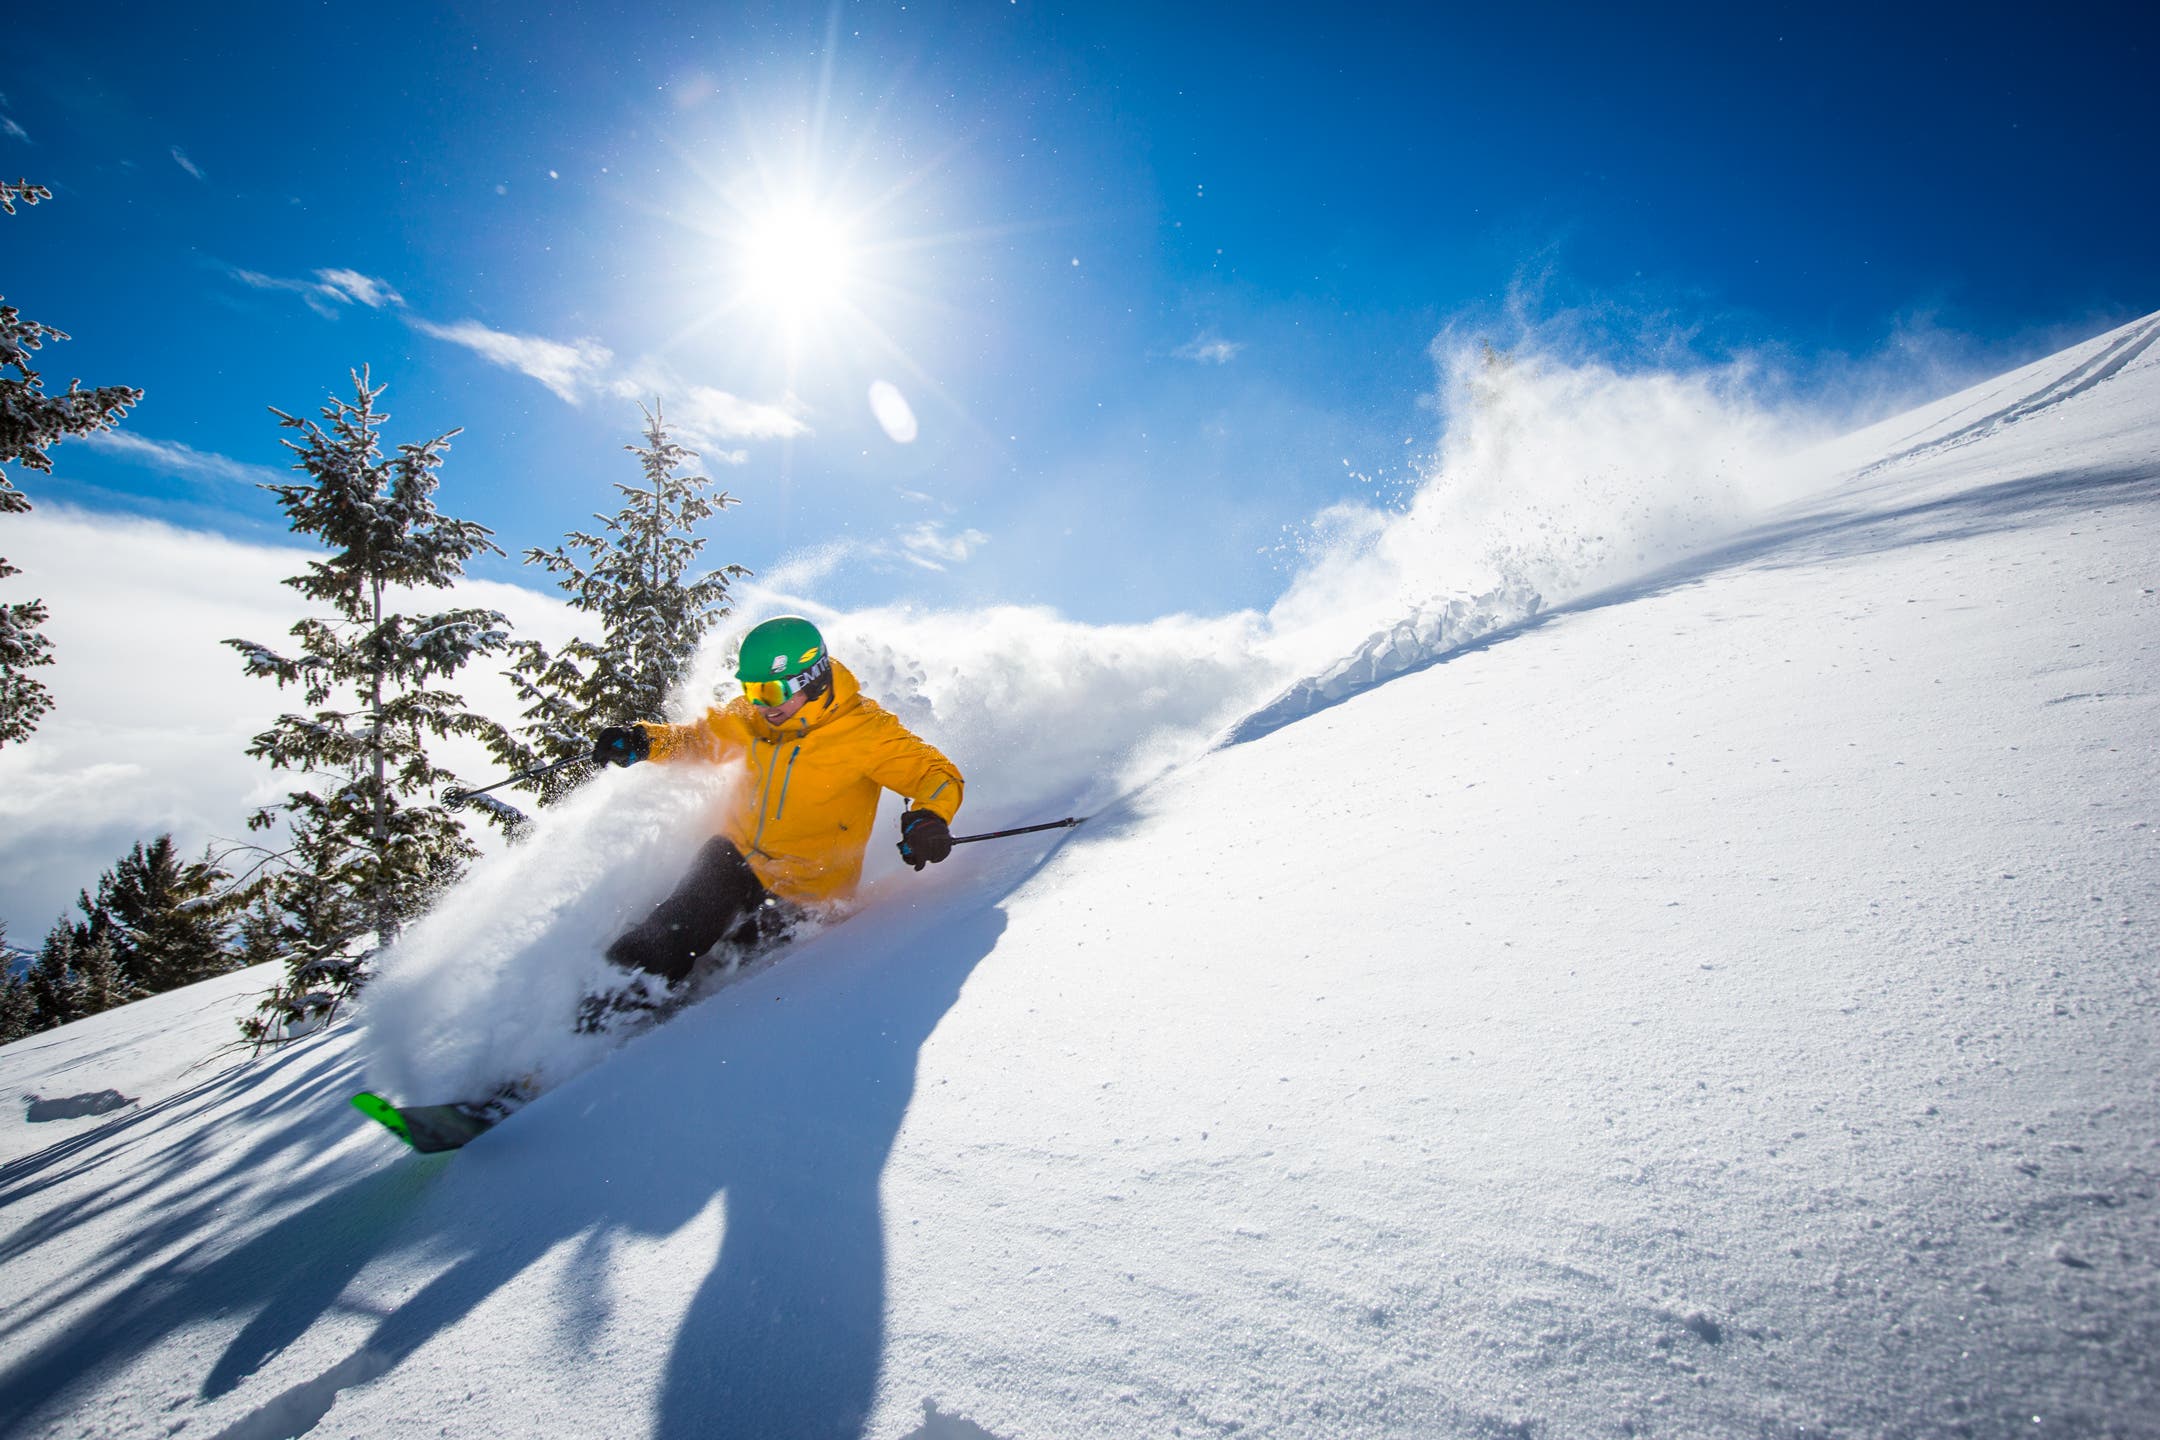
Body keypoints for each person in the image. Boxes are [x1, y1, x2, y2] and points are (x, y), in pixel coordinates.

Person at [587, 615, 964, 996]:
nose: (760, 705)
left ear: (812, 680)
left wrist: (930, 818)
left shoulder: (868, 731)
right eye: (752, 690)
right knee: (675, 925)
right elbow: (697, 740)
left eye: (769, 692)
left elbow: (937, 775)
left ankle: (699, 1012)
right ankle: (608, 1001)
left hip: (807, 888)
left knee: (745, 969)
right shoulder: (753, 716)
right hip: (735, 854)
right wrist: (646, 742)